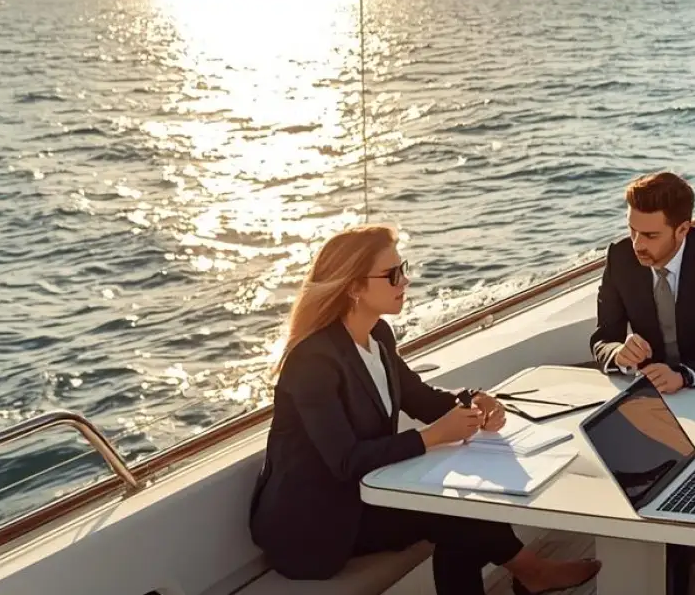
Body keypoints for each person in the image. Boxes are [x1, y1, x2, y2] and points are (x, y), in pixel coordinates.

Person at [249, 225, 601, 595]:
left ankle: (532, 573)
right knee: (456, 515)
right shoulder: (313, 361)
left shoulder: (378, 335)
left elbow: (417, 396)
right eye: (392, 275)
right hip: (316, 525)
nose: (406, 281)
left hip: (368, 493)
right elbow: (346, 461)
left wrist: (473, 401)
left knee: (461, 512)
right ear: (353, 287)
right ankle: (533, 571)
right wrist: (433, 436)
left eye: (403, 268)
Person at [589, 171, 695, 394]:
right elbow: (603, 340)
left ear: (682, 230)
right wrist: (619, 354)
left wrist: (684, 376)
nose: (637, 245)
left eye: (650, 236)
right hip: (655, 392)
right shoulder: (619, 258)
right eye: (632, 230)